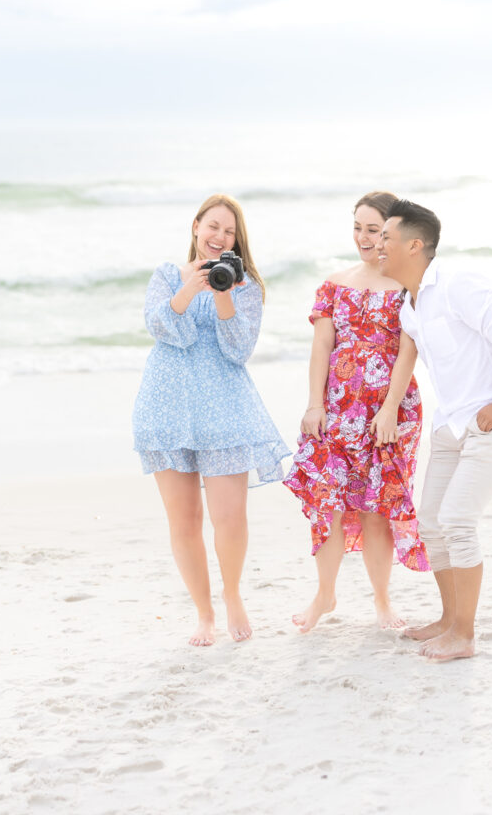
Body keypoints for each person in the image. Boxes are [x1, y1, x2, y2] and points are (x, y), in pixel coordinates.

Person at [377, 199, 492, 662]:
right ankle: (448, 619)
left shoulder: (458, 283)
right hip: (450, 426)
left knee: (458, 521)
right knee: (431, 524)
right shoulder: (410, 304)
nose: (377, 245)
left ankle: (464, 635)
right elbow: (411, 359)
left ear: (415, 244)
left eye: (386, 237)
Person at [132, 194, 290, 647]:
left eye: (229, 231)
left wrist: (223, 295)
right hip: (166, 405)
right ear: (196, 226)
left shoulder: (248, 287)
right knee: (183, 521)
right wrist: (191, 288)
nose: (219, 237)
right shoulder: (166, 276)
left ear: (236, 240)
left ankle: (233, 594)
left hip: (224, 407)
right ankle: (204, 614)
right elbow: (162, 329)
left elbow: (238, 349)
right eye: (213, 226)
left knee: (230, 517)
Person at [284, 191, 428, 634]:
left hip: (389, 411)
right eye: (358, 227)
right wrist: (314, 405)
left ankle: (382, 601)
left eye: (374, 230)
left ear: (392, 233)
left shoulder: (407, 286)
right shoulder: (333, 283)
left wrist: (387, 411)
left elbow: (409, 350)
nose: (365, 238)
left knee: (375, 509)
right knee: (326, 503)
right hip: (336, 410)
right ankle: (324, 595)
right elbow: (322, 347)